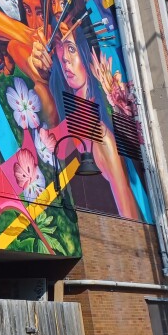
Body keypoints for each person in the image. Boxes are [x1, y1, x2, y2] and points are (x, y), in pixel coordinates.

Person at [48, 15, 141, 220]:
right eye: (59, 47)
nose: (64, 57)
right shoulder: (75, 122)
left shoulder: (101, 135)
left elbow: (130, 218)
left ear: (89, 59)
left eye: (71, 48)